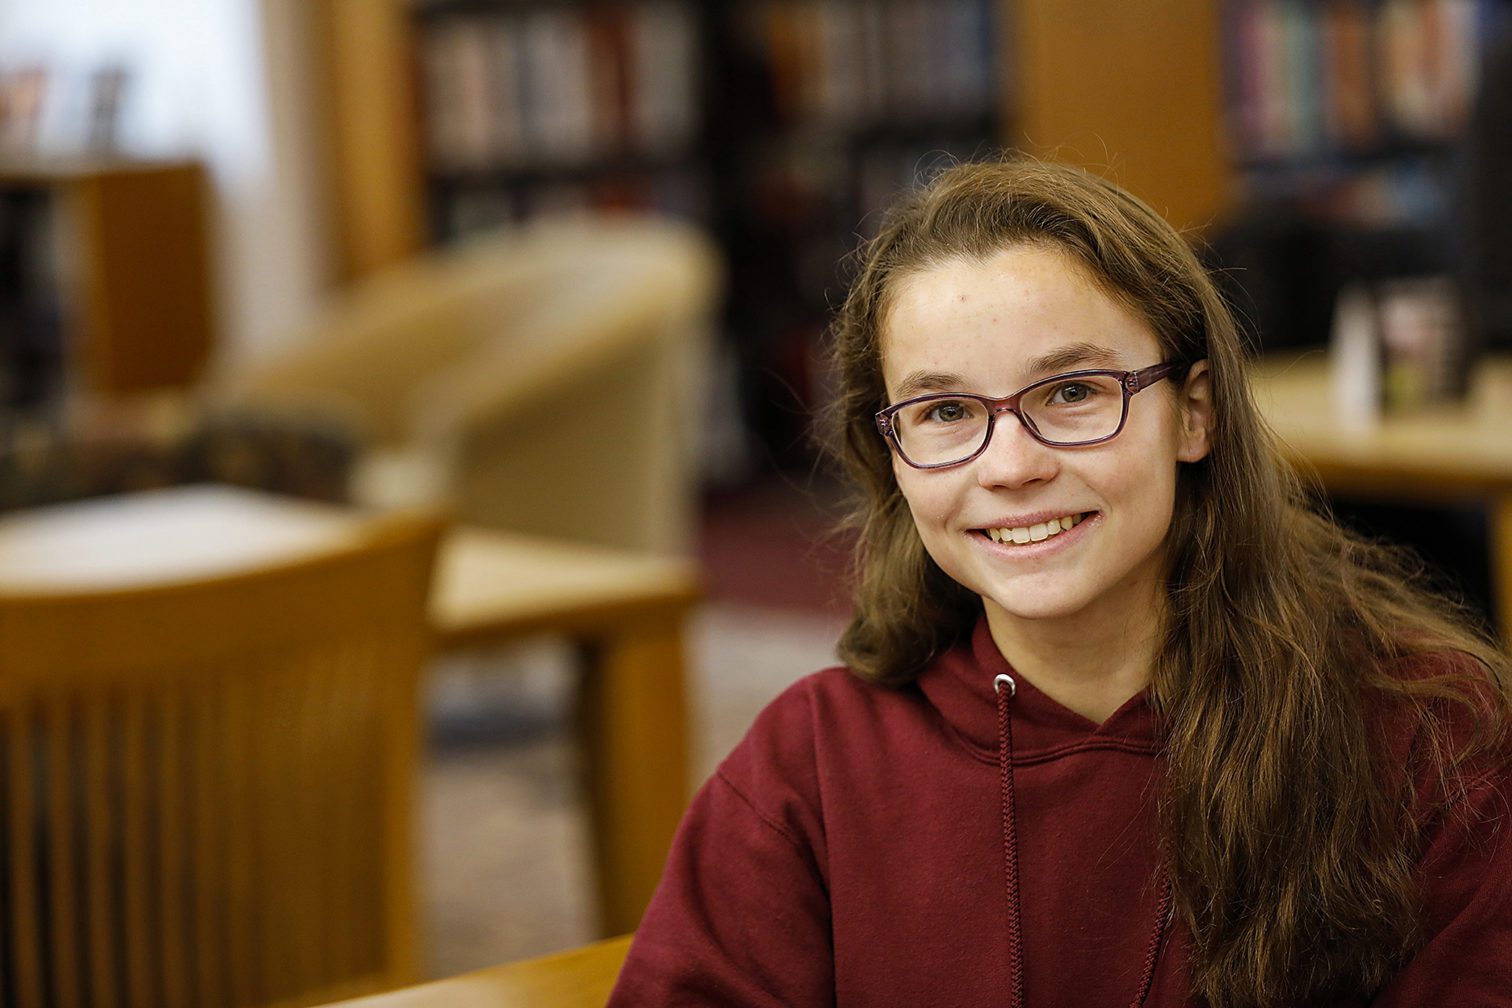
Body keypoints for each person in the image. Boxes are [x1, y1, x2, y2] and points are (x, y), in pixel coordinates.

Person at [607, 158, 1512, 1007]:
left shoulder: (1428, 731)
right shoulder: (809, 764)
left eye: (1073, 392)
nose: (1009, 465)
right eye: (945, 411)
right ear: (891, 455)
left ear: (1193, 414)